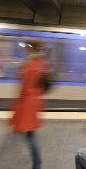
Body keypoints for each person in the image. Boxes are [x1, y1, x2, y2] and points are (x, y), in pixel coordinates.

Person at [9, 40, 49, 169]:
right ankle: (37, 164)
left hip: (28, 104)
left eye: (28, 47)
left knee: (31, 136)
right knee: (30, 134)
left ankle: (37, 164)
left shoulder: (31, 65)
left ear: (32, 48)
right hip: (34, 102)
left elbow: (25, 87)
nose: (26, 49)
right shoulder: (41, 63)